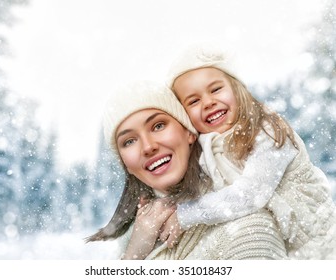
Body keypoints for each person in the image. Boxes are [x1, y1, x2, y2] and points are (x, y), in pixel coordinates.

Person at [161, 44, 336, 259]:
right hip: (282, 252)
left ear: (237, 89)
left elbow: (250, 195)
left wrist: (185, 215)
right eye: (194, 101)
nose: (208, 102)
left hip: (320, 245)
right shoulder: (208, 151)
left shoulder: (267, 131)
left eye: (216, 89)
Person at [86, 80, 287, 260]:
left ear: (189, 132)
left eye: (158, 126)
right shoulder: (136, 236)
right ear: (126, 165)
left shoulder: (249, 232)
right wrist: (133, 256)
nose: (148, 147)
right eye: (129, 141)